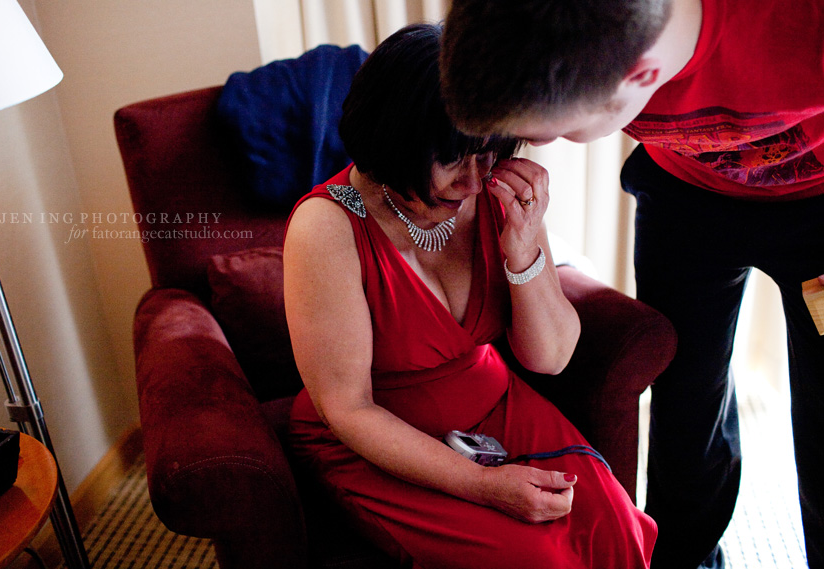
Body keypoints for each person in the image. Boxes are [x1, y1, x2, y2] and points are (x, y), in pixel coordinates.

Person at [439, 1, 824, 568]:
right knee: (685, 406)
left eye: (561, 132)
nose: (541, 146)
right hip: (683, 205)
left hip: (817, 213)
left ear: (643, 75)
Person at [284, 22, 657, 569]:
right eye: (454, 157)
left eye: (488, 152)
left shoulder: (493, 192)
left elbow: (549, 358)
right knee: (536, 560)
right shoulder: (327, 227)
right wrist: (485, 485)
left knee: (614, 525)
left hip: (496, 405)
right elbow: (349, 409)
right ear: (394, 139)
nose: (475, 181)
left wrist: (525, 249)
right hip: (377, 438)